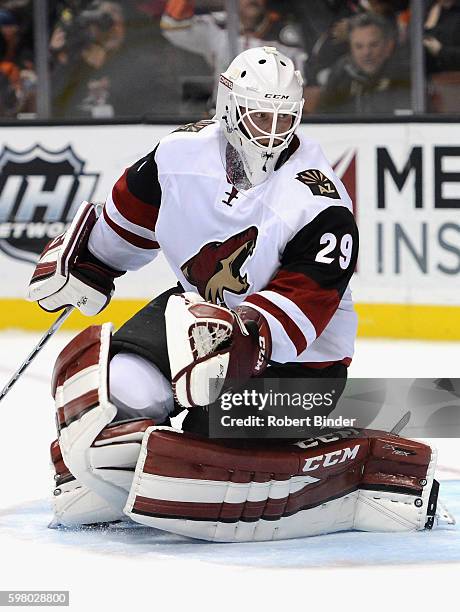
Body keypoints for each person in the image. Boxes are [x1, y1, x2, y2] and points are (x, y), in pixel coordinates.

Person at [28, 47, 440, 542]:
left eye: (283, 117)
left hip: (296, 366)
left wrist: (234, 343)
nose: (271, 130)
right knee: (114, 385)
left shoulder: (320, 203)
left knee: (213, 439)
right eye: (258, 114)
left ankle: (343, 467)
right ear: (227, 106)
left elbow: (294, 319)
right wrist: (87, 261)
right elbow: (123, 225)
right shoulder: (176, 157)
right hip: (192, 322)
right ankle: (108, 470)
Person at [160, 0, 306, 108]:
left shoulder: (286, 35)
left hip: (267, 118)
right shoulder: (216, 26)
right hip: (220, 114)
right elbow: (172, 26)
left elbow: (300, 87)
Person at [318, 12, 410, 114]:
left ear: (389, 46)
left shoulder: (406, 76)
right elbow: (324, 116)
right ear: (351, 49)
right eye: (359, 46)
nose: (366, 53)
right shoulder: (340, 75)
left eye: (374, 45)